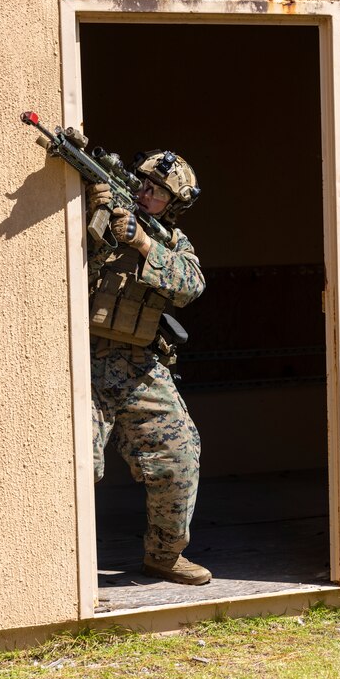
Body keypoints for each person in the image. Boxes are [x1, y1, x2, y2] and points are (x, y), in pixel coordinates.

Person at [85, 149, 211, 586]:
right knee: (78, 461)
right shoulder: (98, 204)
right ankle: (59, 564)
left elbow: (191, 285)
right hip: (86, 358)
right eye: (142, 183)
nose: (144, 193)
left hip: (140, 364)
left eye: (156, 192)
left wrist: (141, 242)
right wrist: (94, 210)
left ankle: (164, 555)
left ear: (172, 205)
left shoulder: (174, 243)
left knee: (180, 454)